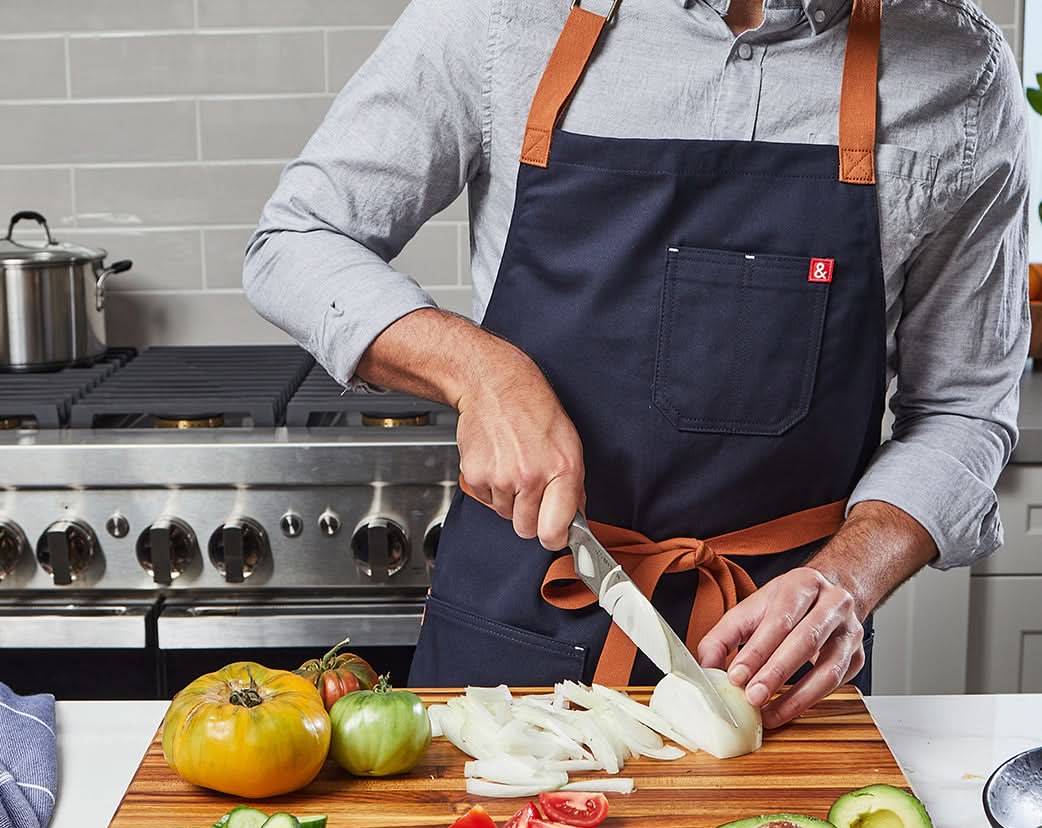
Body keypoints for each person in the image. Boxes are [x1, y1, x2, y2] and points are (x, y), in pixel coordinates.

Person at [244, 0, 1030, 728]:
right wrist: (479, 370)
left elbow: (965, 409)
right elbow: (297, 241)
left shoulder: (958, 71)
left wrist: (849, 579)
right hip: (515, 629)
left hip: (771, 669)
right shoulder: (501, 16)